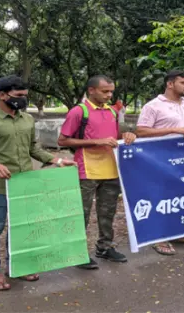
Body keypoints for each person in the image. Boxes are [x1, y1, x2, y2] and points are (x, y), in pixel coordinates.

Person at [0, 76, 76, 291]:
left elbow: (33, 148)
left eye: (25, 95)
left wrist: (57, 160)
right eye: (18, 96)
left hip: (25, 183)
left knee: (22, 227)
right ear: (2, 95)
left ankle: (18, 266)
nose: (23, 99)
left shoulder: (27, 119)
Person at [58, 75, 136, 270]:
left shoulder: (111, 111)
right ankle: (78, 253)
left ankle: (105, 247)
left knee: (107, 211)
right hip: (86, 170)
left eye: (111, 91)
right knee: (81, 213)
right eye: (105, 91)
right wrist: (96, 142)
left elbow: (116, 136)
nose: (109, 95)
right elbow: (63, 140)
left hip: (111, 168)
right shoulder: (79, 111)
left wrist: (128, 135)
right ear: (91, 90)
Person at [135, 70, 184, 255]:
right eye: (183, 82)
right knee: (161, 198)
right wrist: (173, 129)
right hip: (160, 161)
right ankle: (158, 237)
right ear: (170, 84)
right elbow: (141, 131)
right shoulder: (153, 106)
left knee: (181, 197)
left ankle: (179, 232)